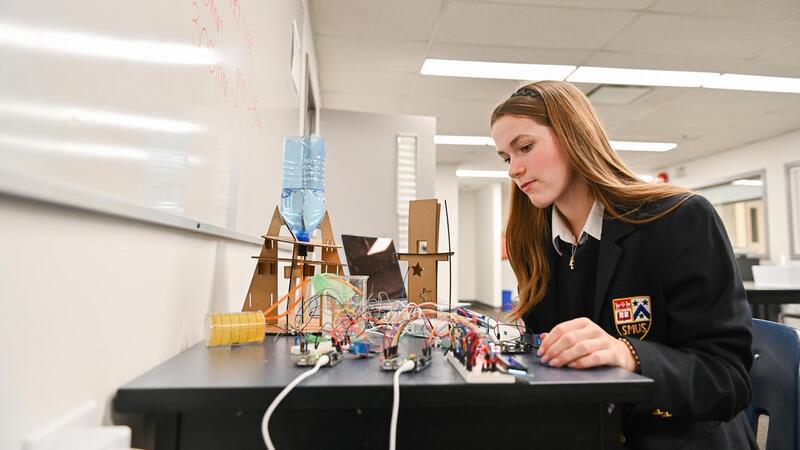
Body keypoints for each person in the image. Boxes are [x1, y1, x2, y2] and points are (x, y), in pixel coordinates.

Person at [491, 80, 756, 449]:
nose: (513, 170)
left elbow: (728, 381)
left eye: (525, 147)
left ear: (574, 136)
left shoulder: (679, 219)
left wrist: (629, 355)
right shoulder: (534, 244)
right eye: (506, 157)